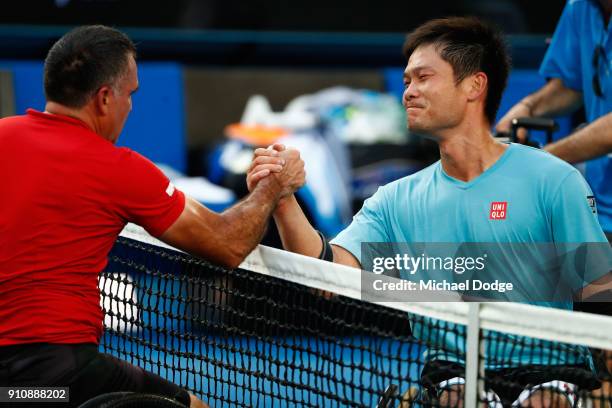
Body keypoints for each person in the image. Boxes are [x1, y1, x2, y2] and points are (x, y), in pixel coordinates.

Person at [248, 17, 612, 407]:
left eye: (423, 78)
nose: (409, 91)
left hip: (552, 372)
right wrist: (282, 199)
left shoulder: (553, 180)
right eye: (406, 81)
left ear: (475, 85)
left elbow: (599, 292)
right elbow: (324, 277)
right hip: (451, 373)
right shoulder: (394, 200)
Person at [0, 25, 305, 408]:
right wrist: (273, 187)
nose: (131, 106)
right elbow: (227, 244)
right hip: (56, 371)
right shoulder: (118, 168)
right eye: (131, 94)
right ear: (105, 98)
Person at [496, 0, 612, 242]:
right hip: (600, 210)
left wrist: (542, 160)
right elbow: (571, 84)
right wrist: (526, 108)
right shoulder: (580, 7)